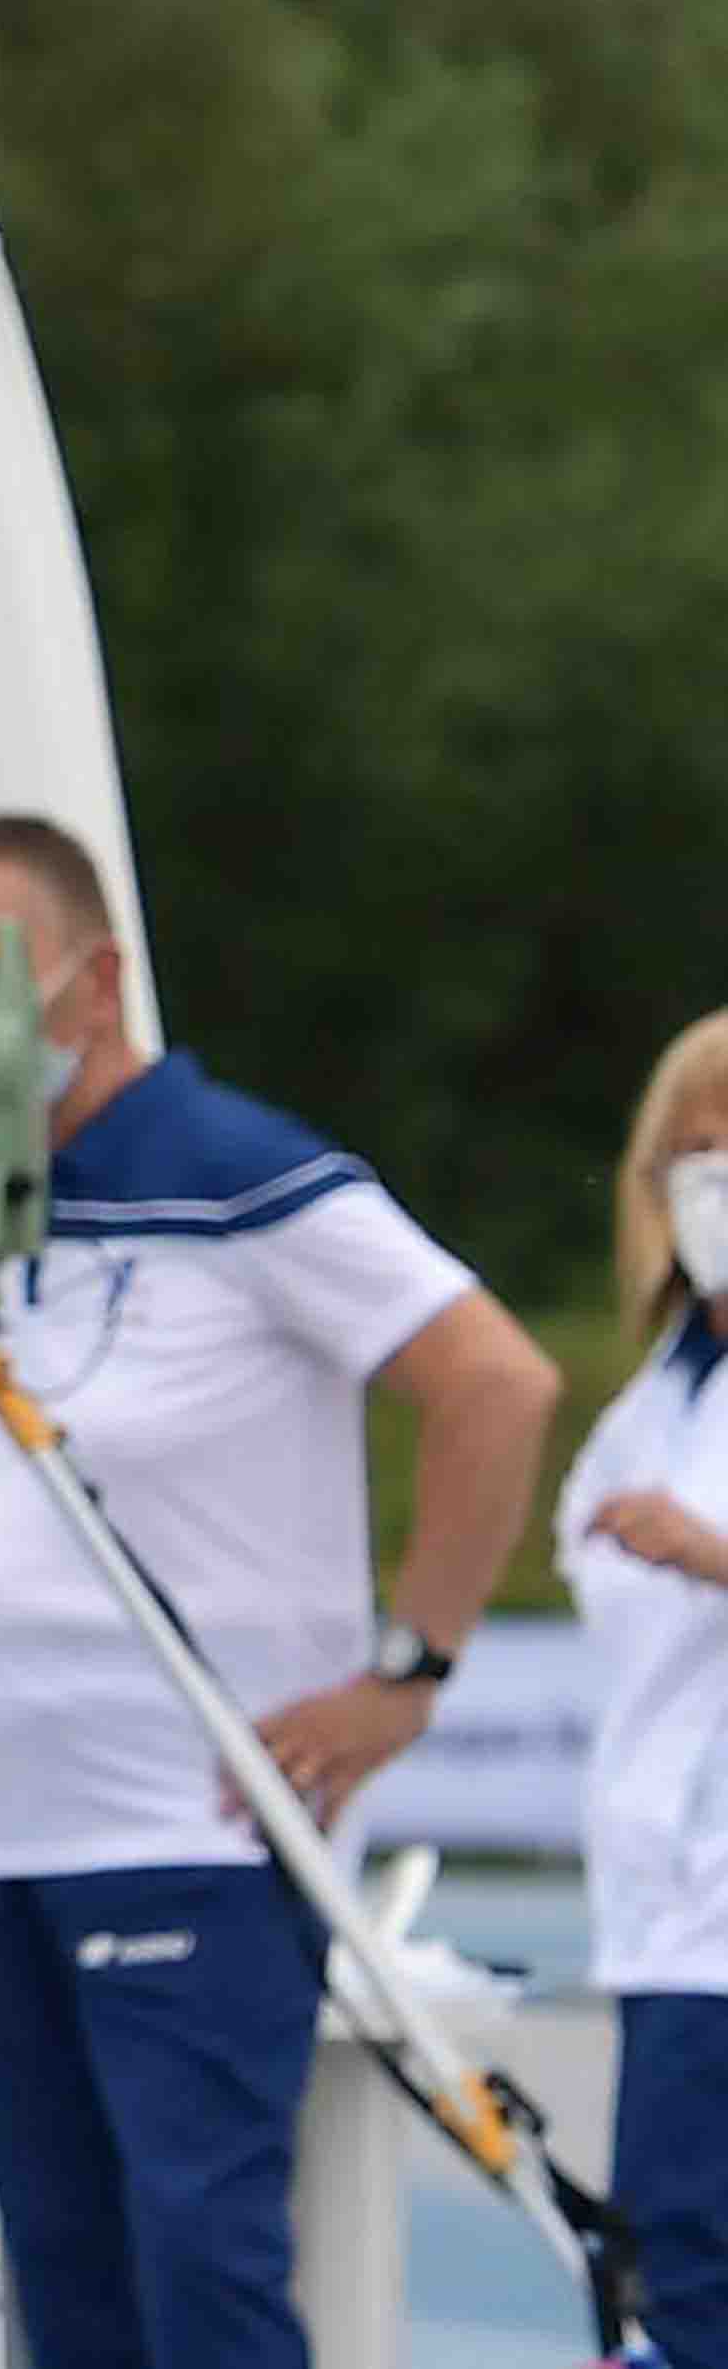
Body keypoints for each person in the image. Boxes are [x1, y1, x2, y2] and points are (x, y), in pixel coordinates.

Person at [0, 812, 559, 2369]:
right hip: (15, 1831)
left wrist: (409, 1671)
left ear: (95, 979)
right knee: (59, 2288)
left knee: (200, 2273)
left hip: (193, 1826)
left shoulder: (239, 1170)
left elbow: (498, 1381)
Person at [558, 1006, 728, 2369]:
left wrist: (713, 1555)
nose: (711, 1187)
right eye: (692, 1158)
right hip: (669, 1910)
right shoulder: (652, 1405)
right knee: (666, 2267)